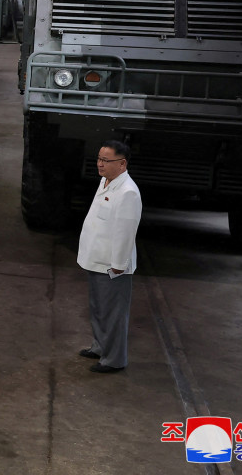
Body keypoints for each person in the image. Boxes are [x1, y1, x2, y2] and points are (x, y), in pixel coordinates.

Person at [77, 140, 143, 374]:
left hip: (111, 266)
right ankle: (100, 346)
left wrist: (118, 266)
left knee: (113, 313)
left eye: (106, 160)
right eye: (99, 159)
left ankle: (114, 359)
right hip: (96, 258)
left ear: (122, 163)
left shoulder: (128, 193)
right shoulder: (106, 181)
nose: (100, 164)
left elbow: (125, 232)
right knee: (98, 308)